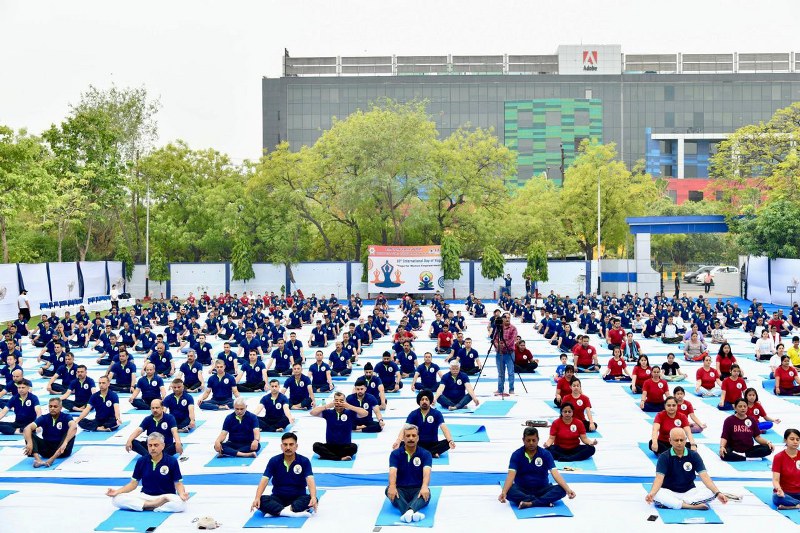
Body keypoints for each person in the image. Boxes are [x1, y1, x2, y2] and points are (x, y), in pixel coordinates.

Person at [645, 427, 728, 510]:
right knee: (656, 495)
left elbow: (704, 476)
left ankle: (676, 503)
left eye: (682, 440)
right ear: (670, 441)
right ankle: (689, 505)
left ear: (686, 440)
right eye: (676, 440)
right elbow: (659, 479)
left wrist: (718, 493)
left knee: (711, 492)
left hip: (690, 492)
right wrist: (652, 493)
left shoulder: (694, 455)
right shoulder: (664, 456)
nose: (679, 443)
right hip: (669, 491)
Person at [106, 432, 189, 512]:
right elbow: (133, 484)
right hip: (145, 496)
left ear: (163, 446)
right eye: (150, 445)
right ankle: (154, 505)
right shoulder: (141, 461)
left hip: (165, 497)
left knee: (181, 504)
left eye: (156, 445)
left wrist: (182, 494)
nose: (152, 448)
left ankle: (145, 506)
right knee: (116, 499)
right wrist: (116, 492)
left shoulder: (171, 461)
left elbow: (178, 483)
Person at [498, 427, 576, 509]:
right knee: (509, 492)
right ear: (523, 440)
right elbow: (511, 476)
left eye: (533, 440)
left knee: (562, 490)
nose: (531, 443)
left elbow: (555, 474)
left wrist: (568, 490)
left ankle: (530, 503)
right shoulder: (516, 454)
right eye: (528, 440)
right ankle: (543, 502)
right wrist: (504, 492)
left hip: (543, 490)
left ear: (538, 440)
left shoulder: (546, 454)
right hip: (522, 490)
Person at [251, 432, 318, 518]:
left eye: (291, 444)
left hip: (298, 497)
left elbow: (310, 480)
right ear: (281, 446)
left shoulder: (304, 461)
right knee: (261, 500)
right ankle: (291, 512)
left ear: (296, 446)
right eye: (285, 445)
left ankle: (278, 511)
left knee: (313, 499)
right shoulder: (274, 461)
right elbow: (265, 480)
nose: (288, 447)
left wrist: (313, 497)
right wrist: (257, 497)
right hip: (278, 498)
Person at [386, 424, 432, 523]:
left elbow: (427, 473)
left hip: (417, 489)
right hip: (400, 489)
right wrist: (392, 486)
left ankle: (407, 513)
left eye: (413, 435)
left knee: (427, 492)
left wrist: (424, 486)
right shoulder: (395, 454)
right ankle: (413, 511)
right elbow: (392, 472)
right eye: (408, 436)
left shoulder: (426, 454)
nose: (411, 438)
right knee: (388, 489)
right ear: (403, 438)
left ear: (418, 437)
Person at [309, 391, 368, 461]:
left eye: (341, 401)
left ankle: (329, 456)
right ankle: (340, 458)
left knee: (354, 447)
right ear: (333, 401)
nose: (339, 403)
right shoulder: (328, 413)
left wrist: (349, 406)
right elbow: (312, 413)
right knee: (316, 446)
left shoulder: (349, 413)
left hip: (345, 446)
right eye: (336, 400)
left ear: (345, 401)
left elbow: (365, 413)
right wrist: (327, 406)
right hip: (330, 446)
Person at [396, 390, 455, 458]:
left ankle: (421, 453)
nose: (424, 401)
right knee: (402, 444)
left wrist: (450, 441)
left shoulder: (437, 413)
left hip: (433, 444)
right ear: (419, 402)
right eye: (422, 399)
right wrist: (398, 441)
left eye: (426, 399)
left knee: (447, 443)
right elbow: (405, 428)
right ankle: (432, 453)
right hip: (418, 443)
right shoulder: (413, 414)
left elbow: (444, 428)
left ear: (430, 401)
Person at [23, 398, 78, 468]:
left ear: (61, 408)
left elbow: (74, 427)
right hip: (47, 450)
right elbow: (27, 429)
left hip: (63, 450)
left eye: (55, 406)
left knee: (70, 433)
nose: (52, 408)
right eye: (50, 406)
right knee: (29, 435)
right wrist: (30, 443)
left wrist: (65, 442)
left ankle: (52, 459)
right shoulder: (44, 418)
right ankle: (38, 459)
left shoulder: (66, 417)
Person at [771, 428, 800, 509]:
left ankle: (793, 506)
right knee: (777, 498)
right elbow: (775, 480)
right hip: (785, 493)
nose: (795, 442)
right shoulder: (779, 457)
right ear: (785, 440)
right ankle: (796, 505)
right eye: (792, 439)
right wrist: (779, 489)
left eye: (797, 439)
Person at [493, 314, 517, 396]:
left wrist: (503, 345)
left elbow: (512, 340)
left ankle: (511, 389)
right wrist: (497, 346)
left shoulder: (513, 328)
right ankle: (500, 389)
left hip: (509, 352)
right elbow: (494, 339)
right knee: (500, 373)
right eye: (505, 318)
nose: (507, 319)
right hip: (499, 353)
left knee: (511, 372)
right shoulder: (498, 328)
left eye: (509, 318)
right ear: (502, 319)